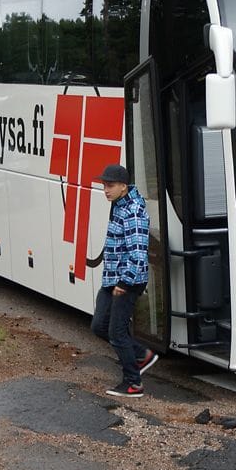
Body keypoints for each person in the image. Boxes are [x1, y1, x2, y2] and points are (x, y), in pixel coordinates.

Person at [90, 164, 159, 398]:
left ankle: (133, 383)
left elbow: (138, 255)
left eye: (109, 186)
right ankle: (141, 355)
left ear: (123, 186)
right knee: (100, 325)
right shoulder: (119, 205)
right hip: (112, 280)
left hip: (127, 282)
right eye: (104, 185)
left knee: (117, 332)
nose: (105, 190)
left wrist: (125, 283)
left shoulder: (134, 211)